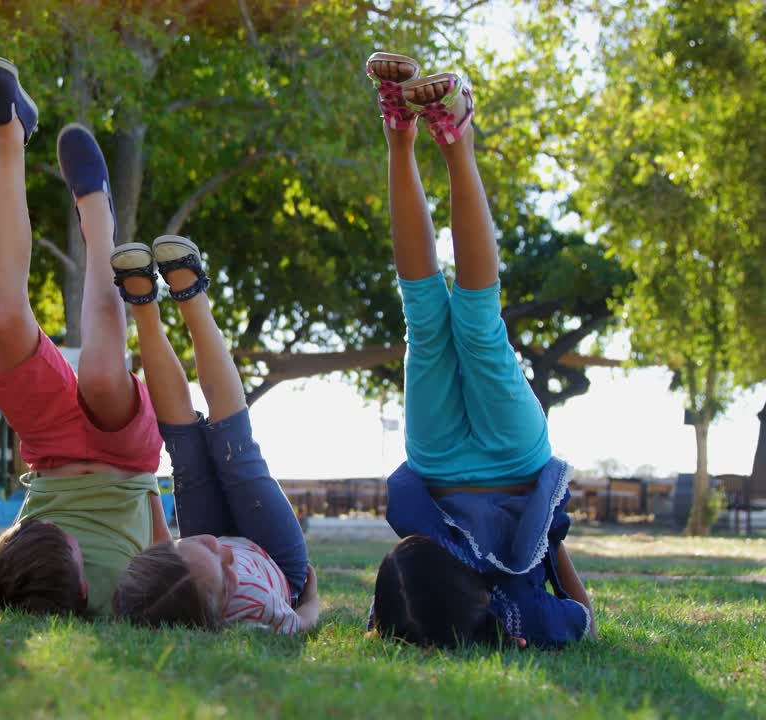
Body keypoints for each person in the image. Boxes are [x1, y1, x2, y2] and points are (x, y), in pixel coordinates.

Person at [362, 52, 595, 648]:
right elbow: (583, 620)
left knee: (428, 320)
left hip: (441, 465)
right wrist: (548, 537)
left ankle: (400, 133)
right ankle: (455, 135)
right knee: (474, 325)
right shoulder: (522, 621)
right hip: (510, 462)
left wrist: (551, 540)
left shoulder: (447, 615)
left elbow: (583, 617)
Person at [0, 53, 170, 616]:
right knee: (104, 372)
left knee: (2, 320)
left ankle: (10, 129)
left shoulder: (21, 598)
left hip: (50, 454)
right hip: (125, 461)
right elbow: (166, 561)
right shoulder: (116, 609)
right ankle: (98, 214)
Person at [109, 235, 320, 634]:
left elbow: (160, 559)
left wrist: (150, 494)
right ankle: (192, 296)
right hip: (279, 561)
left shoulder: (170, 582)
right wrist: (312, 600)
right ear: (220, 608)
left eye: (207, 549)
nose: (225, 553)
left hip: (198, 546)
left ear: (169, 549)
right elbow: (300, 624)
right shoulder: (255, 611)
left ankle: (143, 308)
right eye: (228, 575)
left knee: (185, 451)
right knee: (236, 451)